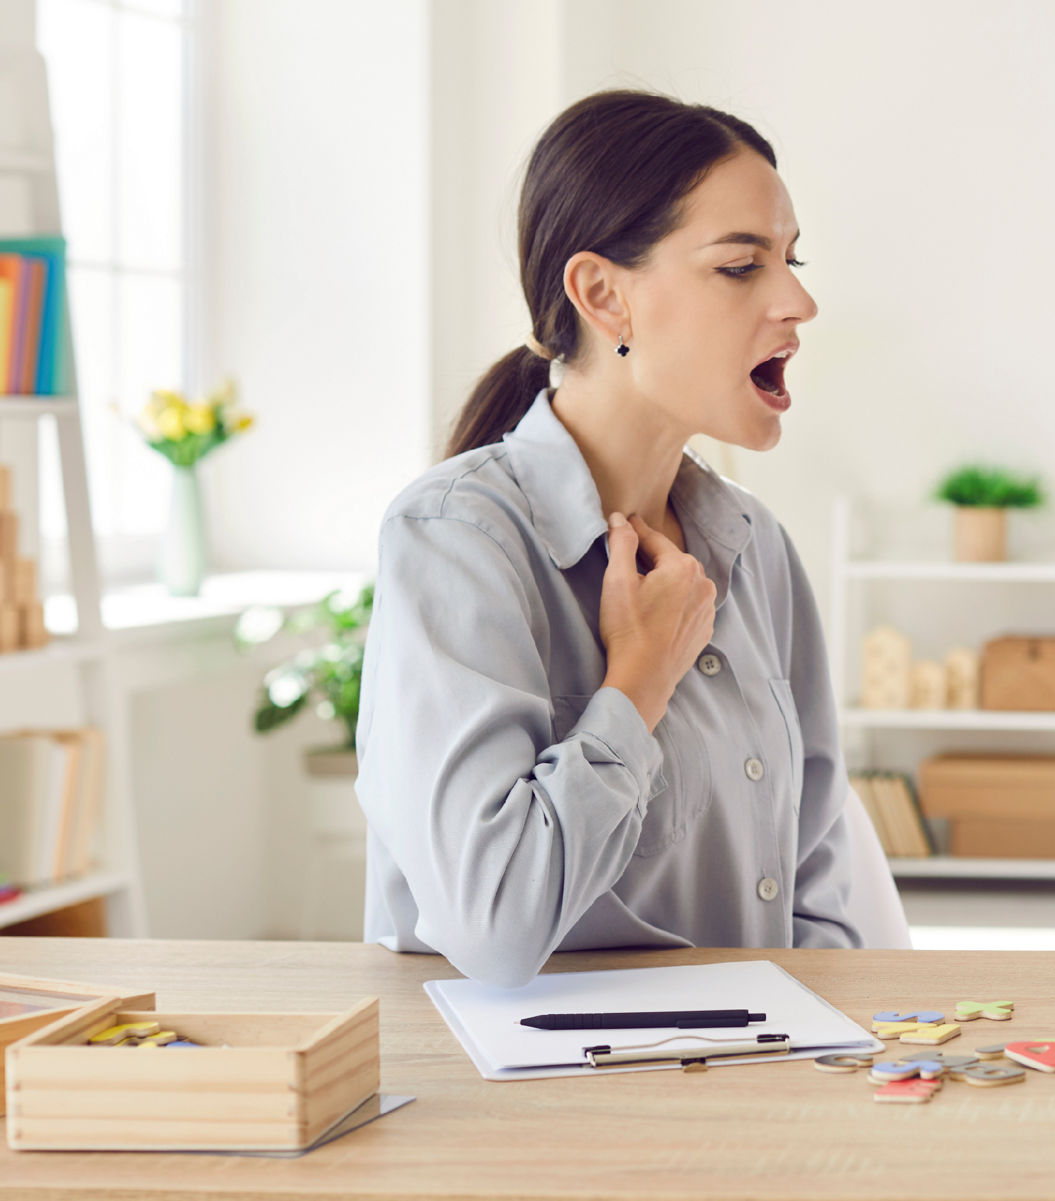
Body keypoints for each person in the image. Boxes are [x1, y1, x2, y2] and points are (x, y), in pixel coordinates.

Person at [356, 90, 861, 988]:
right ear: (602, 295)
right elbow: (494, 926)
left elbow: (813, 878)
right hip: (536, 1110)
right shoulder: (455, 540)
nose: (799, 300)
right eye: (741, 266)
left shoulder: (755, 546)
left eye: (791, 259)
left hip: (758, 1085)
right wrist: (637, 682)